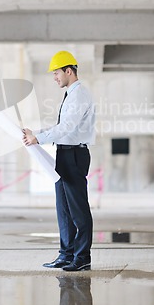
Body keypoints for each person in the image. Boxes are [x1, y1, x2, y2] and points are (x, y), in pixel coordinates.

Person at [23, 51, 95, 272]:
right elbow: (61, 129)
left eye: (56, 73)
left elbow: (67, 128)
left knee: (78, 210)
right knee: (63, 209)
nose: (54, 78)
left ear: (68, 71)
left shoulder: (80, 94)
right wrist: (37, 134)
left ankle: (82, 257)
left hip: (75, 155)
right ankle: (66, 254)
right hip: (64, 153)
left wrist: (39, 138)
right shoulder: (70, 95)